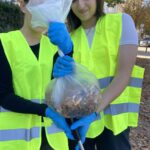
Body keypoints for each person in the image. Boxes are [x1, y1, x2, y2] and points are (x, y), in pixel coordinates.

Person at [48, 0, 145, 149]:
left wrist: (94, 112)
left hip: (113, 123)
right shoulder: (69, 40)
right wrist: (58, 74)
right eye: (73, 1)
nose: (80, 5)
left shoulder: (122, 22)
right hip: (79, 121)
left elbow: (123, 75)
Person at [0, 0, 75, 150]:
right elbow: (4, 96)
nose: (45, 10)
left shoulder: (56, 47)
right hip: (16, 143)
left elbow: (64, 91)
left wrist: (68, 52)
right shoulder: (4, 43)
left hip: (54, 140)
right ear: (23, 5)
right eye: (40, 3)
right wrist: (45, 111)